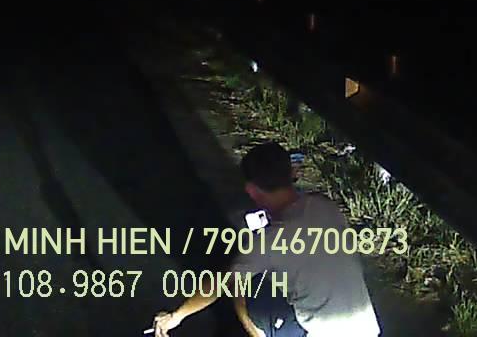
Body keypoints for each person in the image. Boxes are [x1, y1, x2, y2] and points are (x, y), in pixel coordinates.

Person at [152, 142, 381, 337]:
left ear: (251, 190)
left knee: (240, 285)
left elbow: (219, 284)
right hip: (367, 328)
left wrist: (175, 317)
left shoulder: (267, 242)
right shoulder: (326, 206)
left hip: (318, 332)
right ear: (292, 173)